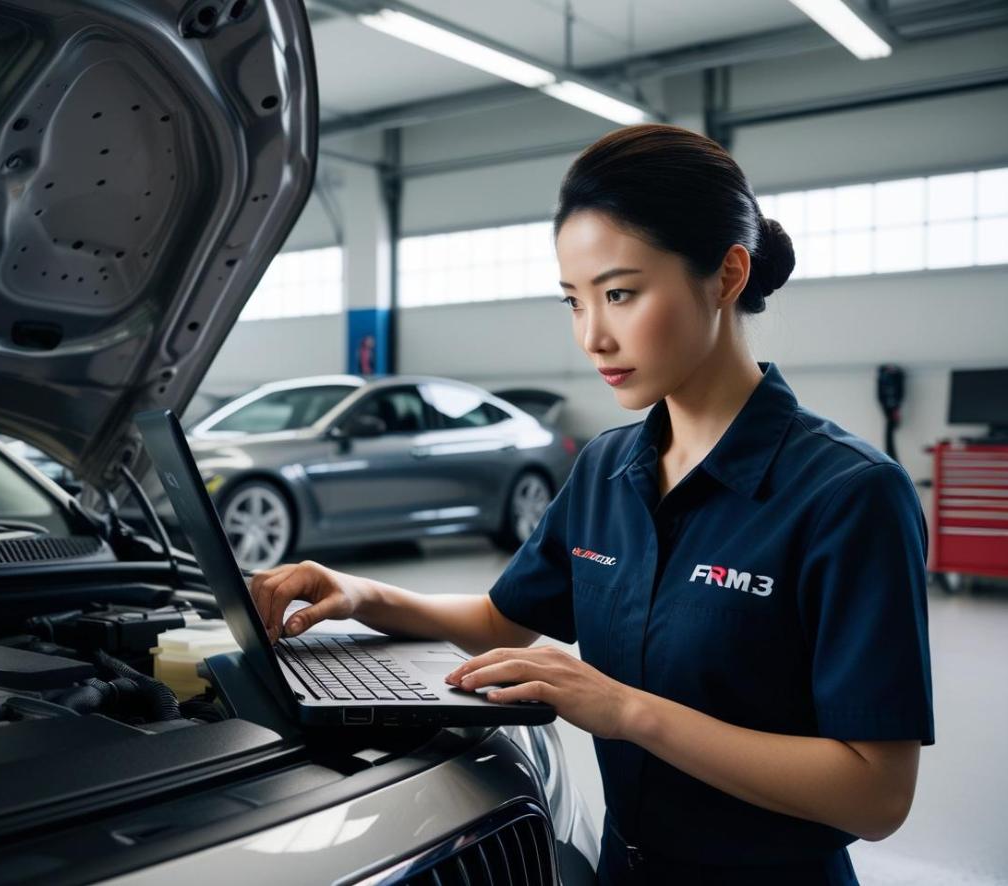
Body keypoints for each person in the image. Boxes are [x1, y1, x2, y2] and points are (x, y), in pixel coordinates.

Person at [249, 124, 934, 885]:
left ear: (727, 275)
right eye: (573, 301)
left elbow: (875, 795)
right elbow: (502, 620)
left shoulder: (849, 494)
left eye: (619, 294)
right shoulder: (609, 467)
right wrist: (358, 594)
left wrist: (626, 710)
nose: (592, 337)